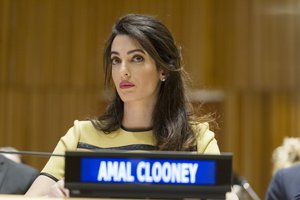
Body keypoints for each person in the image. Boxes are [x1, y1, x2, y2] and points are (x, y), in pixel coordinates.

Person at [25, 13, 221, 197]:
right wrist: (51, 195)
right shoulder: (80, 136)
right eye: (116, 60)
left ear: (163, 70)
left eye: (137, 58)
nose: (123, 71)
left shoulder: (196, 140)